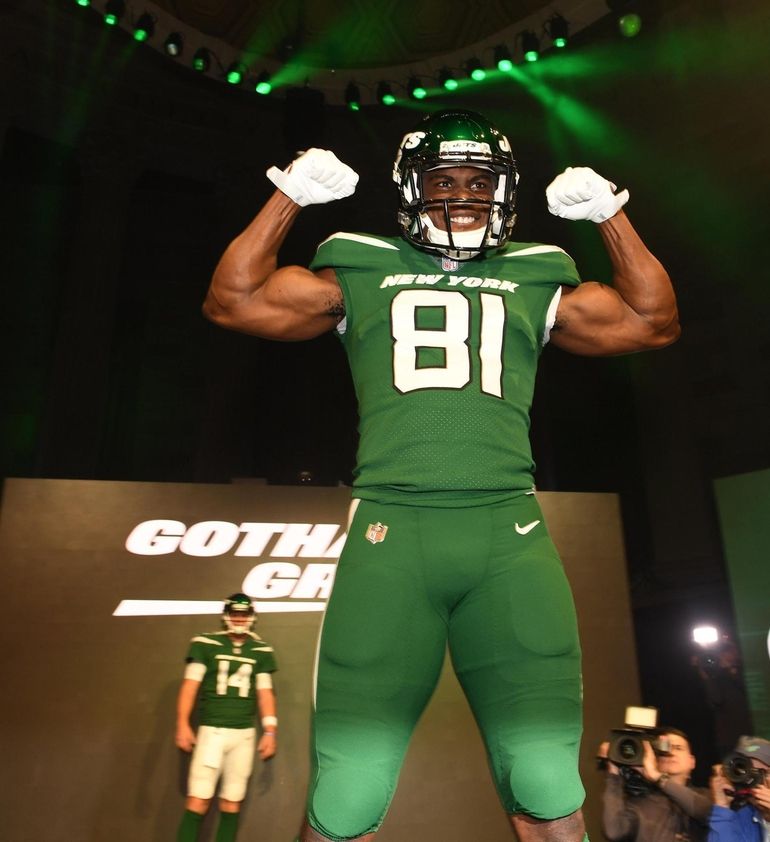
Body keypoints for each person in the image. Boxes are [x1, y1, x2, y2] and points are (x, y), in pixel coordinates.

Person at [203, 109, 680, 842]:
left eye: (479, 182)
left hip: (508, 535)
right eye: (445, 180)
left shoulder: (533, 272)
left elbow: (653, 322)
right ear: (411, 188)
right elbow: (232, 300)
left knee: (547, 780)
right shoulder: (359, 263)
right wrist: (287, 195)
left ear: (503, 192)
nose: (462, 196)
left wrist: (613, 216)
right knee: (349, 791)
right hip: (394, 532)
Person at [175, 593, 278, 842]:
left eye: (244, 614)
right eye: (236, 614)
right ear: (227, 615)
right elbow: (190, 685)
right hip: (212, 732)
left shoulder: (260, 649)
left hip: (243, 735)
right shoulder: (205, 643)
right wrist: (182, 723)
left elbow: (265, 693)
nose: (240, 619)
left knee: (232, 802)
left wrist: (270, 731)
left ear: (252, 617)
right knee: (198, 799)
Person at [599, 729, 712, 842]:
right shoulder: (640, 802)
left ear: (692, 761)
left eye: (678, 748)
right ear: (654, 758)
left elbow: (710, 813)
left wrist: (659, 778)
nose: (670, 752)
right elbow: (613, 832)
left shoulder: (706, 796)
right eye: (663, 748)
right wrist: (613, 774)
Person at [708, 736, 770, 842]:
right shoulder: (738, 817)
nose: (751, 780)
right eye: (746, 771)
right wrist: (722, 807)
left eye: (761, 773)